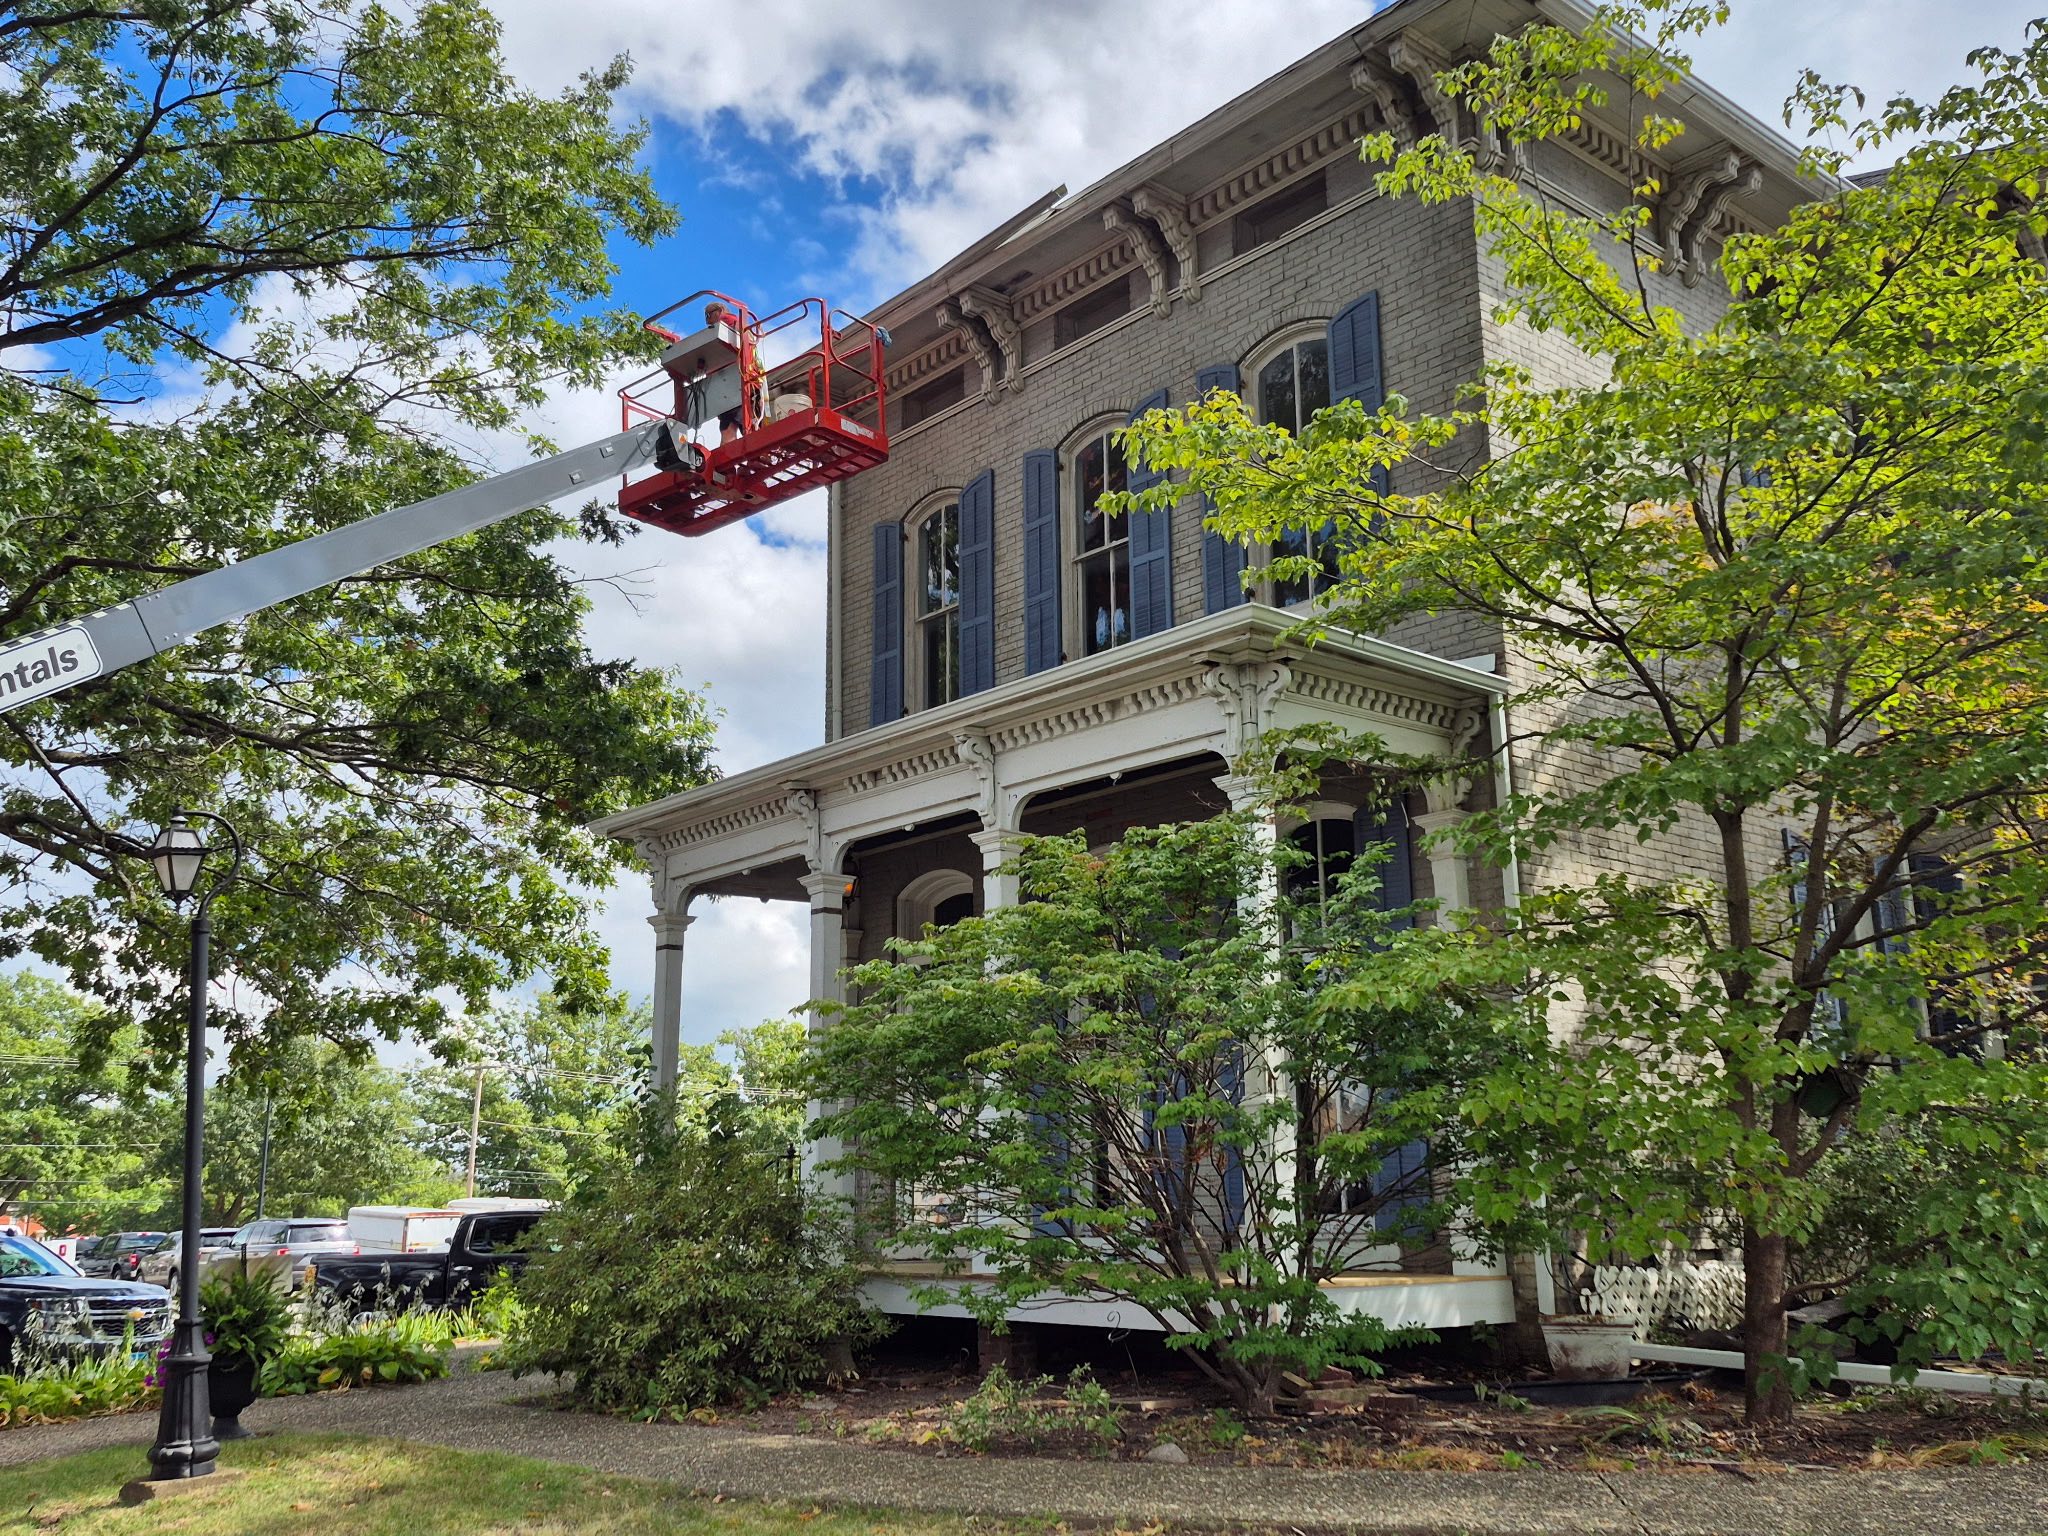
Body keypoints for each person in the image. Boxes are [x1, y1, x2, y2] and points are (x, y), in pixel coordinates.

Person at [703, 300, 759, 447]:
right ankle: (753, 459)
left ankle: (727, 465)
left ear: (719, 310)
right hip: (733, 383)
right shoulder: (735, 325)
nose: (707, 321)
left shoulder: (726, 320)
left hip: (734, 382)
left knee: (733, 426)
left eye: (708, 315)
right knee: (742, 426)